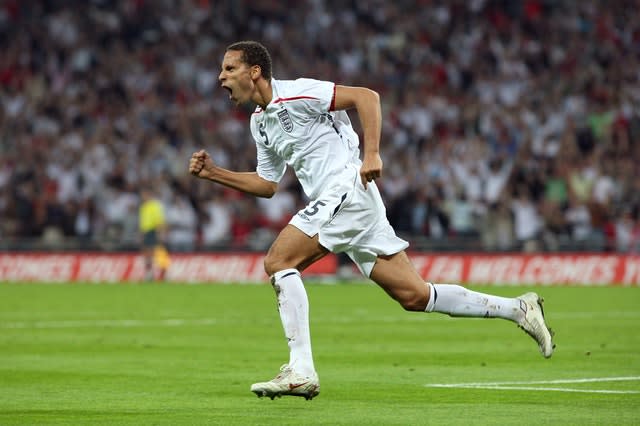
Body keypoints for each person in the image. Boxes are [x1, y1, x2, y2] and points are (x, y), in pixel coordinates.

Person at [189, 41, 555, 401]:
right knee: (414, 295)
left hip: (347, 188)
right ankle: (518, 308)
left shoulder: (299, 93)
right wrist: (215, 173)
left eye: (229, 68)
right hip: (347, 203)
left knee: (279, 262)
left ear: (255, 72)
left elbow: (367, 97)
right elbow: (267, 184)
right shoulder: (260, 124)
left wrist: (372, 154)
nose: (221, 77)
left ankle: (301, 370)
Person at [138, 188, 170, 281]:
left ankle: (164, 273)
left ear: (149, 194)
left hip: (154, 231)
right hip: (146, 232)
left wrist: (160, 233)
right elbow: (143, 222)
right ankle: (149, 274)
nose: (143, 197)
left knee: (158, 253)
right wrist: (141, 233)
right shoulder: (143, 207)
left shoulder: (155, 205)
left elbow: (159, 220)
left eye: (144, 194)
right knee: (147, 254)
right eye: (142, 195)